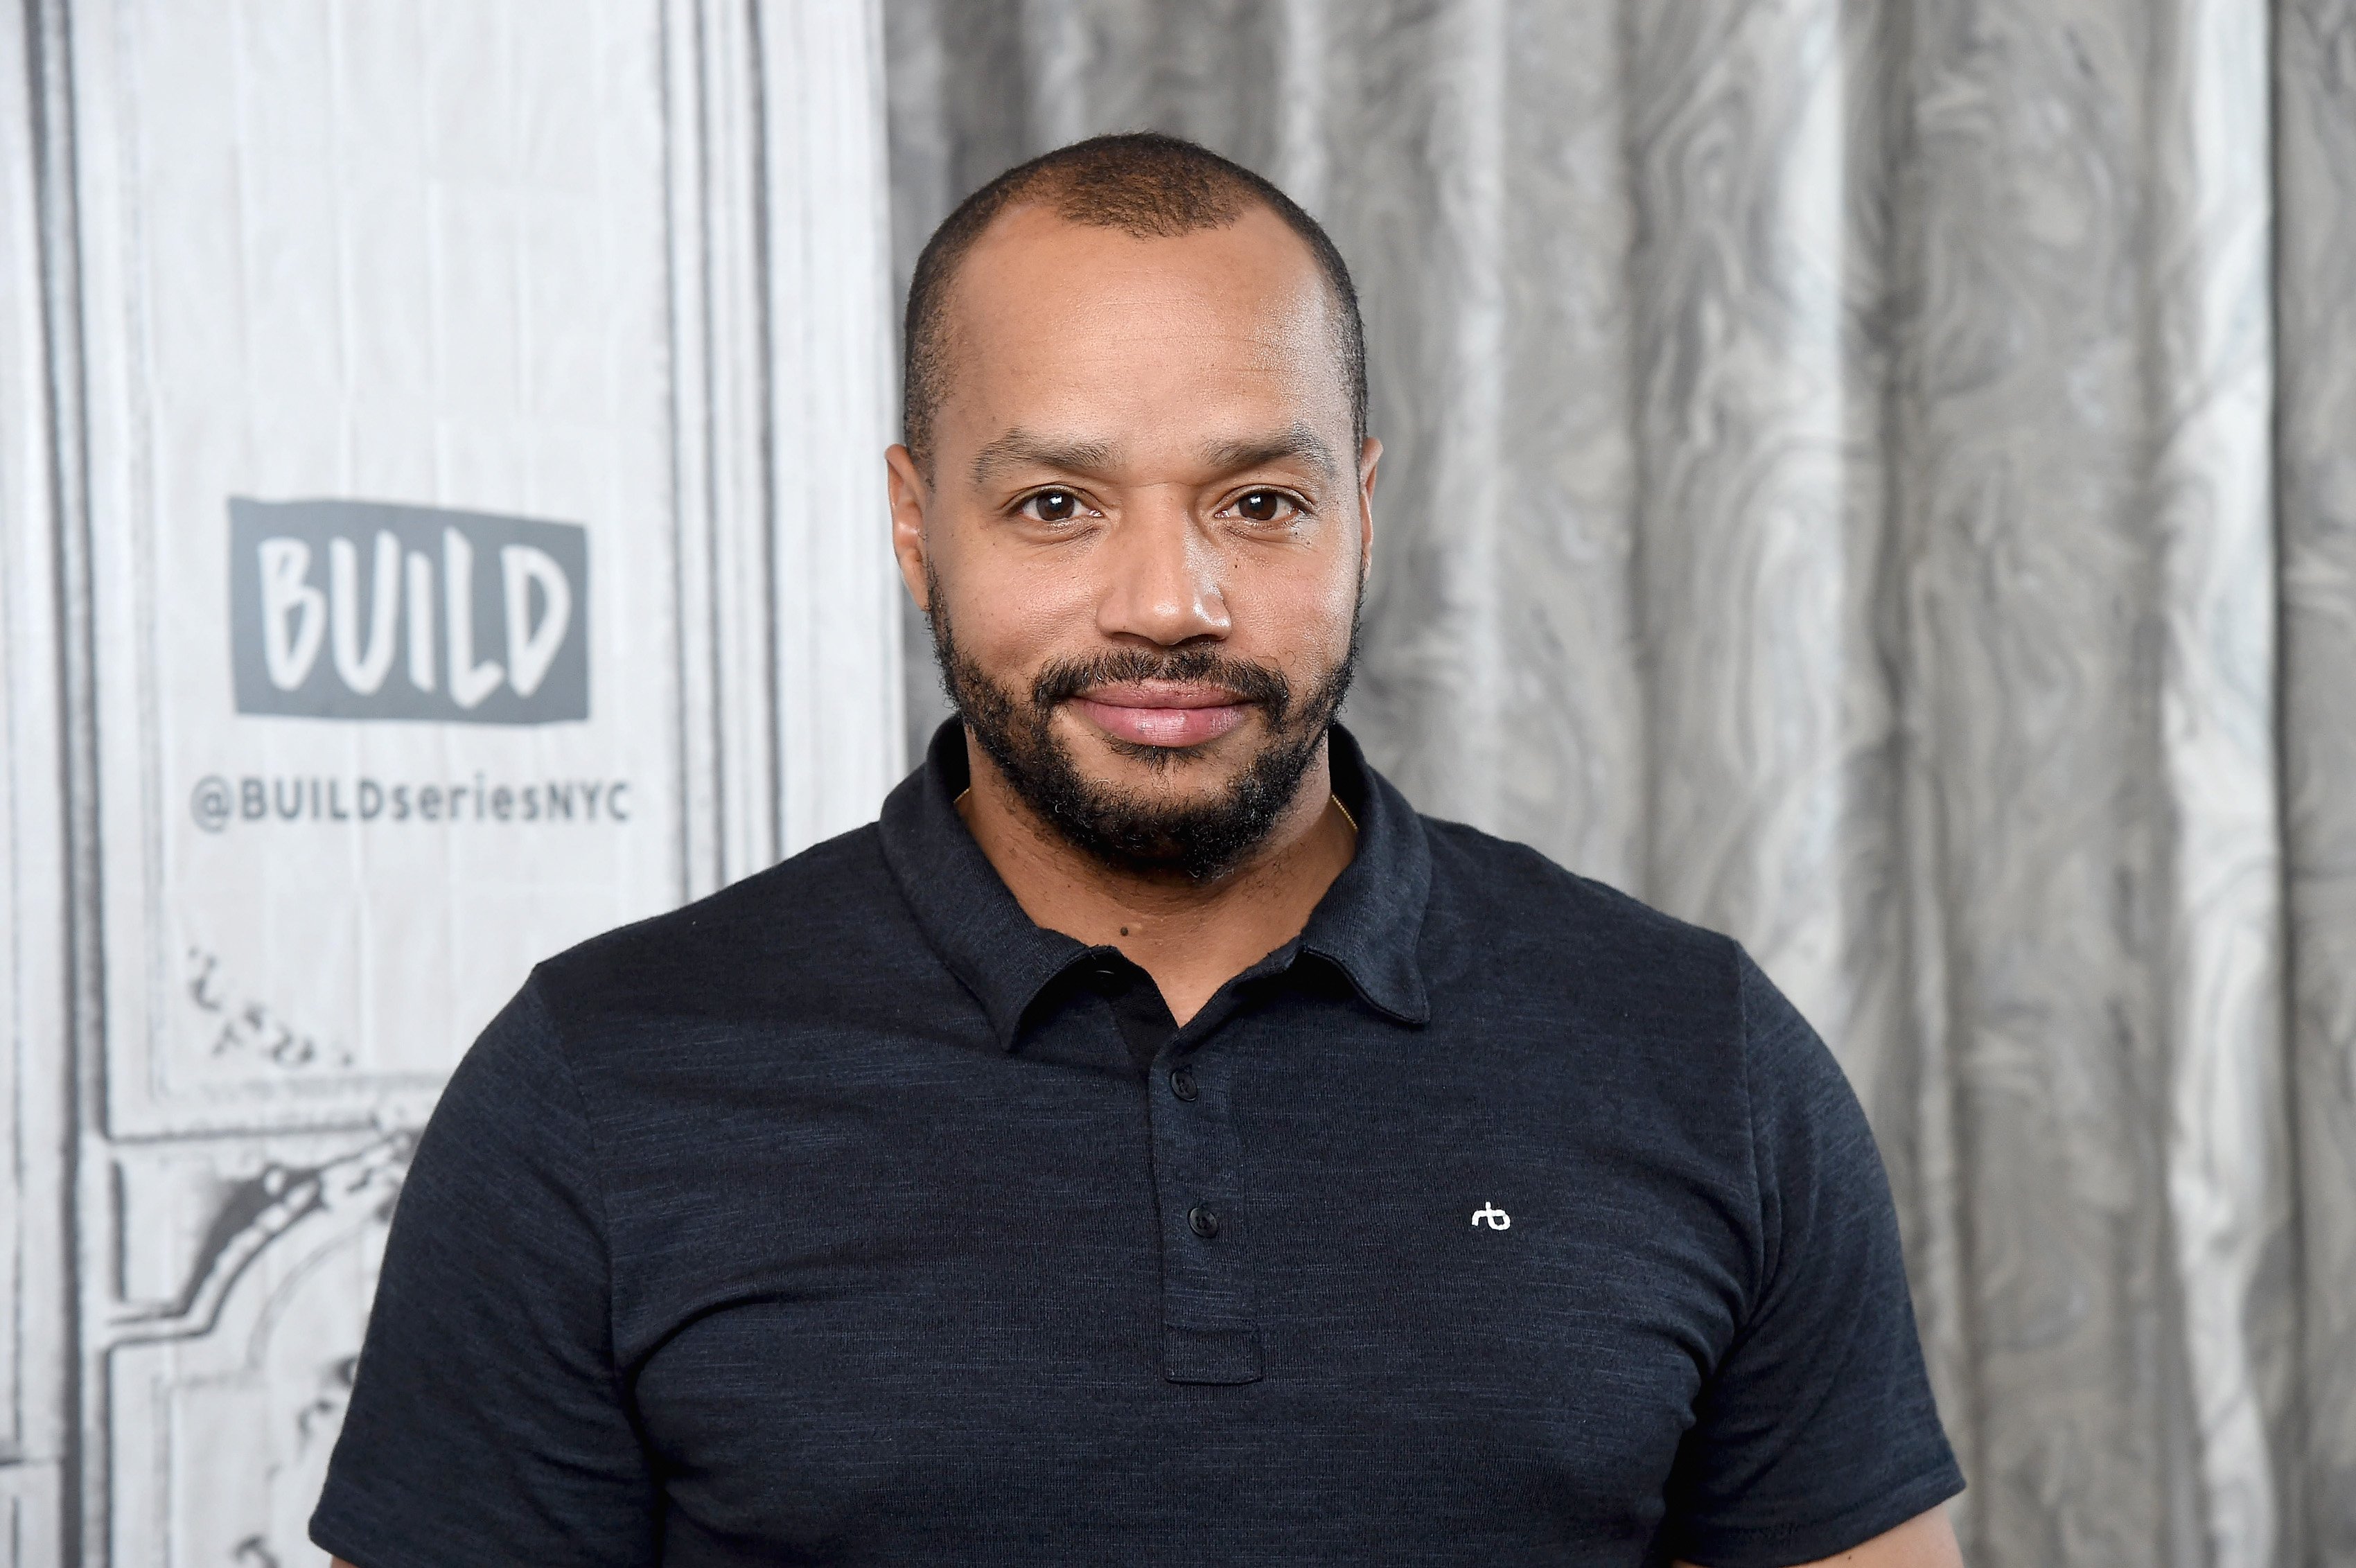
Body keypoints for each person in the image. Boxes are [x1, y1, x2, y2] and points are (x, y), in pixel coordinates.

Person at [312, 132, 1966, 1567]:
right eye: (1057, 505)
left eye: (1257, 502)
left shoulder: (1696, 1050)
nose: (1168, 604)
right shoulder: (599, 1083)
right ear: (914, 526)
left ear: (1362, 513)